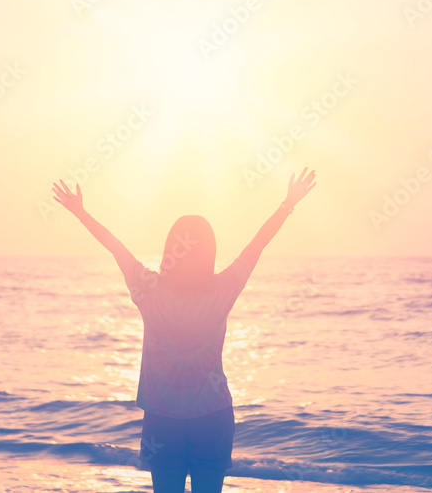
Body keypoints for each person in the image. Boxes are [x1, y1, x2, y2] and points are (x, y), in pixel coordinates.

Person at [52, 167, 317, 492]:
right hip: (213, 418)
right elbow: (256, 245)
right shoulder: (222, 289)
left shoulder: (148, 288)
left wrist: (81, 213)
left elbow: (115, 247)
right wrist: (287, 205)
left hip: (162, 421)